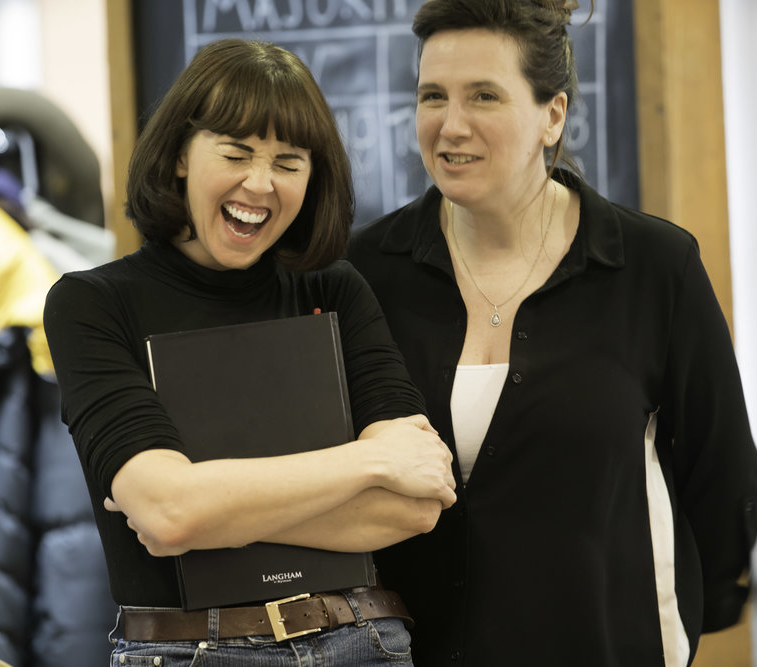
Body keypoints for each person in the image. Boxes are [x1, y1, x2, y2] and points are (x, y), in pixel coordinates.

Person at [346, 1, 757, 665]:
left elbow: (723, 478)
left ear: (553, 115)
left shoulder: (654, 267)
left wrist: (677, 622)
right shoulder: (364, 272)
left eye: (484, 95)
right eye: (432, 96)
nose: (450, 125)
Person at [43, 38, 456, 666]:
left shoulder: (334, 290)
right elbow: (170, 511)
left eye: (288, 162)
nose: (259, 183)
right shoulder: (91, 304)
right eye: (235, 153)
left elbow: (417, 504)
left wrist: (206, 513)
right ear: (180, 156)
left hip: (361, 636)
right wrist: (370, 461)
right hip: (188, 651)